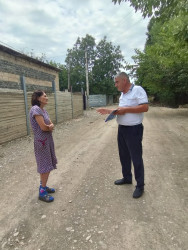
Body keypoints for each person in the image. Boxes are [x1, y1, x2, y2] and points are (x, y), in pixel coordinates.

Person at [97, 72, 148, 198]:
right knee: (123, 155)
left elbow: (145, 107)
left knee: (136, 158)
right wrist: (109, 111)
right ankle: (127, 177)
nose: (115, 85)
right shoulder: (122, 94)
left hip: (134, 129)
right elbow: (122, 110)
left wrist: (126, 110)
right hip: (122, 129)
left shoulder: (137, 90)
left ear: (124, 80)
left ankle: (140, 186)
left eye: (117, 82)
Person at [30, 90, 57, 203]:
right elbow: (44, 127)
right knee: (44, 165)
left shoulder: (43, 110)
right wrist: (49, 126)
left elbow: (51, 124)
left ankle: (44, 186)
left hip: (47, 141)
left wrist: (49, 126)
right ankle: (42, 192)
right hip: (42, 142)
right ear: (38, 98)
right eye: (45, 96)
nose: (47, 97)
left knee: (48, 164)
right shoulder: (35, 109)